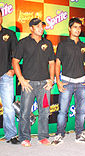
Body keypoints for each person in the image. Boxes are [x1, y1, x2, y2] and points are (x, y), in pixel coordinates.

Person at [12, 18, 55, 147]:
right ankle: (24, 137)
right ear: (31, 28)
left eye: (42, 26)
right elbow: (15, 61)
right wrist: (21, 79)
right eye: (37, 26)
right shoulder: (23, 43)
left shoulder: (47, 43)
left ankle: (43, 136)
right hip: (28, 85)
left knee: (45, 111)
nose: (41, 28)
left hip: (44, 86)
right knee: (24, 112)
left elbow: (52, 63)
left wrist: (51, 79)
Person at [51, 18, 85, 145]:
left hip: (81, 83)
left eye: (79, 27)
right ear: (69, 28)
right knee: (63, 111)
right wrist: (58, 80)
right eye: (75, 27)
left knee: (81, 111)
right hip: (66, 82)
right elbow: (57, 64)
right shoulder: (62, 45)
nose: (78, 29)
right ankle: (59, 134)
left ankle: (79, 134)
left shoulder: (84, 46)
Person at [0, 9, 19, 144]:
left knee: (8, 107)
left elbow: (16, 54)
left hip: (5, 75)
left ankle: (11, 135)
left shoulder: (10, 34)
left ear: (1, 17)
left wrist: (12, 69)